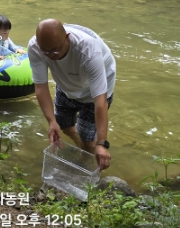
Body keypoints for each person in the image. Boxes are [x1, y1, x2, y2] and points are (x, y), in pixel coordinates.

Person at [28, 19, 116, 170]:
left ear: (66, 38)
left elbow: (100, 101)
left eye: (55, 50)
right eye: (45, 52)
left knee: (89, 139)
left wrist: (102, 143)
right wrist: (51, 122)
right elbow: (41, 87)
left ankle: (85, 155)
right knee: (62, 123)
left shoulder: (88, 50)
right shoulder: (36, 47)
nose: (50, 56)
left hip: (95, 90)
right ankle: (80, 145)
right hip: (66, 83)